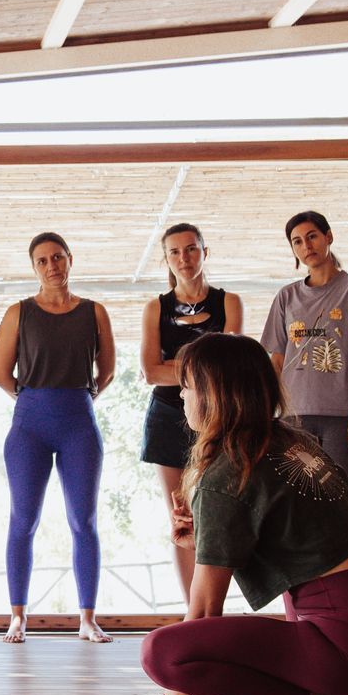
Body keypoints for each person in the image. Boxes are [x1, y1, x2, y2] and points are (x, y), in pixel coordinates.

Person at [115, 333, 348, 695]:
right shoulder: (290, 441)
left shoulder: (228, 472)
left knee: (161, 653)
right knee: (300, 598)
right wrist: (205, 538)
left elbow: (203, 615)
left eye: (187, 386)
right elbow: (298, 542)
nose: (180, 396)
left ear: (214, 395)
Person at [0, 231, 116, 643]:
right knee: (23, 520)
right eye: (43, 261)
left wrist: (77, 398)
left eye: (58, 258)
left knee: (83, 520)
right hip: (29, 424)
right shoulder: (19, 312)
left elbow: (108, 370)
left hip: (79, 421)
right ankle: (18, 617)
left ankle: (87, 618)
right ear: (34, 267)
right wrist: (32, 401)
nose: (52, 266)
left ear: (70, 260)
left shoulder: (94, 312)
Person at [139, 223, 243, 598]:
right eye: (175, 252)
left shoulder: (228, 302)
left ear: (204, 252)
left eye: (191, 249)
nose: (184, 258)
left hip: (218, 419)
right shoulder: (156, 307)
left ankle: (212, 605)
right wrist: (202, 369)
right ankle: (191, 611)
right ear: (166, 258)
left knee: (217, 514)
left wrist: (178, 368)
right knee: (181, 516)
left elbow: (229, 368)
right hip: (167, 418)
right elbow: (151, 372)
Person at [261, 211, 348, 500]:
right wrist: (265, 414)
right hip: (293, 421)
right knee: (302, 508)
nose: (307, 246)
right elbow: (277, 362)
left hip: (344, 419)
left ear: (328, 236)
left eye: (312, 236)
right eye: (297, 242)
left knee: (346, 507)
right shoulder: (286, 297)